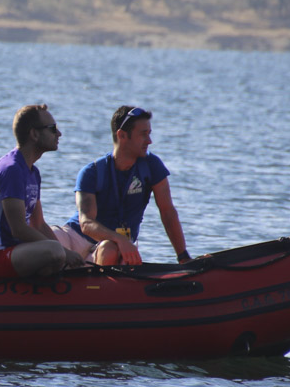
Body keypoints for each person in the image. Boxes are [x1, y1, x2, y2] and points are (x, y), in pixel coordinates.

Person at [54, 105, 190, 266]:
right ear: (122, 135)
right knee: (50, 235)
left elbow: (168, 212)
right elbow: (86, 224)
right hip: (77, 237)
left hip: (113, 246)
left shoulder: (152, 166)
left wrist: (183, 256)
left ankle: (97, 284)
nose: (149, 141)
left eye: (149, 134)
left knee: (110, 250)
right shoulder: (92, 172)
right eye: (143, 134)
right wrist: (119, 238)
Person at [0, 104, 85, 278]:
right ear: (34, 134)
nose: (59, 134)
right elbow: (18, 229)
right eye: (52, 129)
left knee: (59, 250)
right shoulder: (11, 170)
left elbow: (38, 224)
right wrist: (63, 253)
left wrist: (68, 256)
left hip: (17, 252)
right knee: (55, 251)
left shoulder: (33, 172)